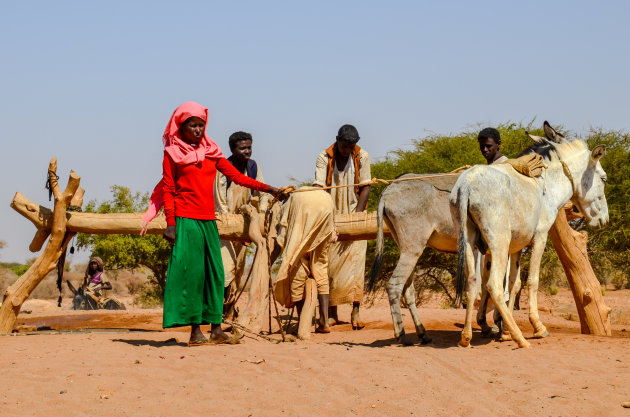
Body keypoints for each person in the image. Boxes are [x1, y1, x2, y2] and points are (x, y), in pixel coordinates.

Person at [142, 102, 285, 346]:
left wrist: (269, 189)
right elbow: (168, 188)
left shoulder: (211, 151)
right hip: (186, 221)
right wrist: (171, 223)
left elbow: (237, 177)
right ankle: (196, 332)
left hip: (209, 220)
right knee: (195, 275)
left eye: (201, 125)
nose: (198, 130)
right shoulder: (172, 153)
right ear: (182, 127)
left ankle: (216, 329)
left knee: (216, 274)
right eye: (193, 125)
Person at [313, 124, 371, 329]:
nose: (347, 150)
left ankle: (356, 312)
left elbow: (366, 186)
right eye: (344, 146)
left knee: (356, 266)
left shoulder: (362, 156)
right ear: (337, 140)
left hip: (355, 214)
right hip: (332, 216)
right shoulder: (324, 157)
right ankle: (332, 313)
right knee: (330, 265)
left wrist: (357, 217)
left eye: (350, 146)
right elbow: (319, 188)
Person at [214, 131, 270, 319]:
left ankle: (229, 310)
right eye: (242, 148)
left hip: (245, 225)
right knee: (226, 268)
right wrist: (227, 221)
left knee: (238, 270)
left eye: (249, 147)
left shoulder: (253, 167)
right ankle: (222, 311)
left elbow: (261, 192)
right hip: (225, 225)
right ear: (232, 149)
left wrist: (260, 217)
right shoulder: (223, 168)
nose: (247, 151)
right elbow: (220, 198)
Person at [273, 189, 336, 334]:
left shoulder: (291, 200)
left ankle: (302, 321)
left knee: (297, 273)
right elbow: (333, 223)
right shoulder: (326, 196)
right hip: (323, 230)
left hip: (300, 237)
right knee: (320, 270)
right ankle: (324, 321)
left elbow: (284, 226)